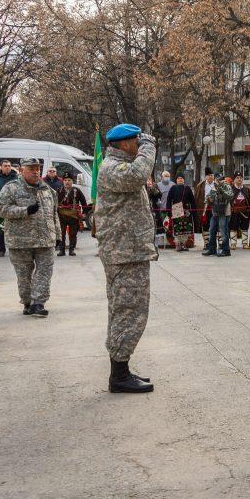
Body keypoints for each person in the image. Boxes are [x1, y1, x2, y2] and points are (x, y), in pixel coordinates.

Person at [95, 124, 157, 394]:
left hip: (130, 250)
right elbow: (138, 175)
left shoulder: (121, 166)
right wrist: (149, 147)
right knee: (127, 311)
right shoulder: (112, 167)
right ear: (124, 144)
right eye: (136, 141)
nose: (140, 145)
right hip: (123, 253)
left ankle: (121, 368)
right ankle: (118, 375)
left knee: (130, 310)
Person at [0, 158, 61, 318]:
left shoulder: (47, 190)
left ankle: (38, 303)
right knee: (24, 275)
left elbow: (54, 213)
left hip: (45, 239)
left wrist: (58, 234)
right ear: (22, 170)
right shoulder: (11, 188)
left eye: (38, 168)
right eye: (31, 168)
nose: (36, 171)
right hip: (20, 241)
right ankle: (27, 302)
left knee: (45, 271)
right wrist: (25, 210)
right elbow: (1, 209)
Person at [0, 160, 18, 257]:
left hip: (13, 208)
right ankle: (1, 249)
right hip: (1, 208)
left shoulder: (16, 178)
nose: (7, 167)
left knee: (14, 230)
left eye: (9, 166)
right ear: (1, 167)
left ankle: (14, 249)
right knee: (1, 229)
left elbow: (19, 190)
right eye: (5, 166)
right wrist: (3, 198)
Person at [203, 174, 234, 257]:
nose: (218, 181)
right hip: (215, 212)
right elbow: (207, 199)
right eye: (217, 180)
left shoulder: (226, 186)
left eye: (220, 180)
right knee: (212, 230)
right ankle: (212, 249)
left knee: (223, 232)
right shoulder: (214, 187)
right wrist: (209, 200)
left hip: (224, 212)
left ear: (223, 180)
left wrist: (221, 190)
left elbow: (230, 196)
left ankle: (226, 250)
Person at [57, 175, 87, 256]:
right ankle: (61, 250)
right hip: (61, 216)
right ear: (63, 181)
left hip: (73, 216)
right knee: (61, 233)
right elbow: (54, 203)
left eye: (69, 180)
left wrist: (84, 213)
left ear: (72, 181)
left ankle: (71, 249)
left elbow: (84, 202)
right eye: (65, 180)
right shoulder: (59, 190)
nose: (67, 182)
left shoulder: (77, 190)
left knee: (73, 233)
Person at [165, 174, 197, 251]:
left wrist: (194, 211)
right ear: (176, 180)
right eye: (178, 178)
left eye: (181, 178)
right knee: (177, 228)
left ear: (184, 179)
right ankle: (178, 245)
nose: (180, 179)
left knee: (186, 228)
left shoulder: (187, 188)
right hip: (176, 210)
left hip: (186, 211)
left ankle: (184, 244)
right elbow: (169, 199)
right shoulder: (173, 188)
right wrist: (168, 210)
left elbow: (192, 201)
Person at [229, 173, 250, 249]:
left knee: (245, 227)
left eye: (240, 178)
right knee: (233, 227)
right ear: (234, 179)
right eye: (237, 178)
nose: (239, 179)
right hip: (234, 212)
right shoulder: (231, 189)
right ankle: (233, 244)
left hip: (245, 211)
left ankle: (245, 243)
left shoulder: (246, 189)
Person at [193, 169, 216, 241]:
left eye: (212, 175)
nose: (210, 177)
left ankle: (216, 243)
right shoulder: (200, 185)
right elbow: (196, 198)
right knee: (205, 226)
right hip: (204, 208)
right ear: (206, 177)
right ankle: (207, 243)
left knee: (216, 226)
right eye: (209, 175)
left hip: (216, 208)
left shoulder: (217, 184)